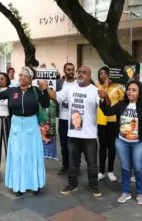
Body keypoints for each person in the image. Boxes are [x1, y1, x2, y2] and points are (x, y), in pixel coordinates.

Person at [42, 65, 103, 197]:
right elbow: (55, 96)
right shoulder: (69, 89)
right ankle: (72, 184)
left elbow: (104, 104)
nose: (80, 74)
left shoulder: (94, 90)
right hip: (73, 134)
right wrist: (46, 87)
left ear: (89, 75)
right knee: (72, 162)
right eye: (79, 72)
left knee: (92, 163)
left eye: (84, 72)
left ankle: (94, 186)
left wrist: (106, 98)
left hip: (89, 135)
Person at [99, 80, 142, 205]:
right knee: (125, 167)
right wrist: (103, 99)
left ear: (140, 92)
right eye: (129, 89)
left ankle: (140, 193)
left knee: (138, 168)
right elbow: (107, 112)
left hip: (140, 142)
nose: (130, 92)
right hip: (122, 141)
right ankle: (125, 192)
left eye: (134, 90)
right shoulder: (121, 104)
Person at [0, 67, 49, 196]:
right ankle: (18, 185)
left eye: (25, 76)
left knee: (32, 154)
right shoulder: (12, 91)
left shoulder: (35, 91)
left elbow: (45, 104)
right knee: (17, 155)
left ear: (30, 79)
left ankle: (35, 184)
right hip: (16, 126)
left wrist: (45, 89)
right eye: (21, 75)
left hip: (31, 126)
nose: (22, 77)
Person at [96, 67, 124, 182]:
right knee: (102, 146)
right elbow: (99, 98)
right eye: (101, 73)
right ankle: (101, 171)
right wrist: (105, 87)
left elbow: (123, 101)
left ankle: (111, 171)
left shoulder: (118, 87)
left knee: (112, 146)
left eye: (106, 73)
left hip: (113, 120)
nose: (103, 75)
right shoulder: (97, 86)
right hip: (101, 120)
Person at [55, 63, 77, 175]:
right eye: (68, 69)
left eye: (72, 69)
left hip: (75, 119)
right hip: (63, 119)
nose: (71, 71)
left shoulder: (79, 83)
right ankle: (65, 166)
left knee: (75, 145)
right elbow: (54, 96)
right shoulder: (59, 83)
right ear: (64, 70)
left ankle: (76, 167)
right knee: (63, 144)